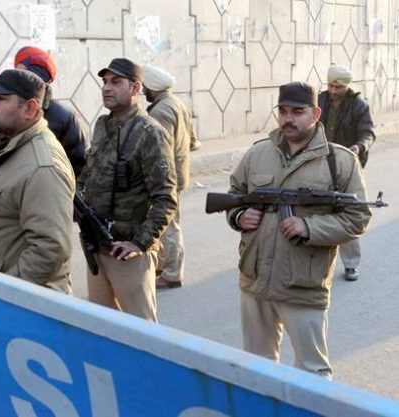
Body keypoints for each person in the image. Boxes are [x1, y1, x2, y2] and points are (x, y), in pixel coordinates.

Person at [227, 81, 371, 379]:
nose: (288, 118)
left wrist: (309, 226)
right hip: (255, 281)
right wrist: (239, 216)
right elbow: (234, 193)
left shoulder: (339, 162)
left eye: (297, 111)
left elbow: (357, 217)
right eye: (282, 110)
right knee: (257, 369)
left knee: (313, 372)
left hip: (303, 285)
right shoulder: (258, 153)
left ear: (316, 113)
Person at [77, 58, 177, 321]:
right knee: (102, 330)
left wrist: (139, 242)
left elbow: (166, 198)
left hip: (128, 254)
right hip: (97, 247)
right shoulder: (102, 126)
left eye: (116, 82)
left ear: (135, 88)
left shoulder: (149, 132)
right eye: (105, 82)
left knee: (142, 336)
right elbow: (88, 174)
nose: (107, 88)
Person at [0, 69, 76, 293]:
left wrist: (5, 293)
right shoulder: (13, 146)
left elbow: (49, 249)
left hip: (18, 306)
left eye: (2, 99)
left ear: (30, 108)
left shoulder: (43, 167)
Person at [318, 65, 376, 281]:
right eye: (330, 85)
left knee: (349, 212)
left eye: (338, 86)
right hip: (320, 163)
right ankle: (319, 263)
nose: (333, 90)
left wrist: (358, 148)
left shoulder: (358, 105)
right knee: (319, 212)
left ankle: (351, 264)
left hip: (348, 167)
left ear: (346, 86)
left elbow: (368, 133)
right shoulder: (319, 101)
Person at [142, 64, 195, 289]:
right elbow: (193, 140)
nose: (143, 91)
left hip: (167, 177)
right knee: (169, 224)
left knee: (169, 226)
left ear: (153, 88)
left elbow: (158, 150)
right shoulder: (177, 104)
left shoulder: (160, 111)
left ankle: (172, 274)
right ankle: (165, 268)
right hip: (178, 172)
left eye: (145, 87)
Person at [14, 46, 89, 176]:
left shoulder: (66, 118)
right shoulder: (13, 111)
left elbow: (81, 167)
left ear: (38, 77)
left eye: (23, 74)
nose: (17, 79)